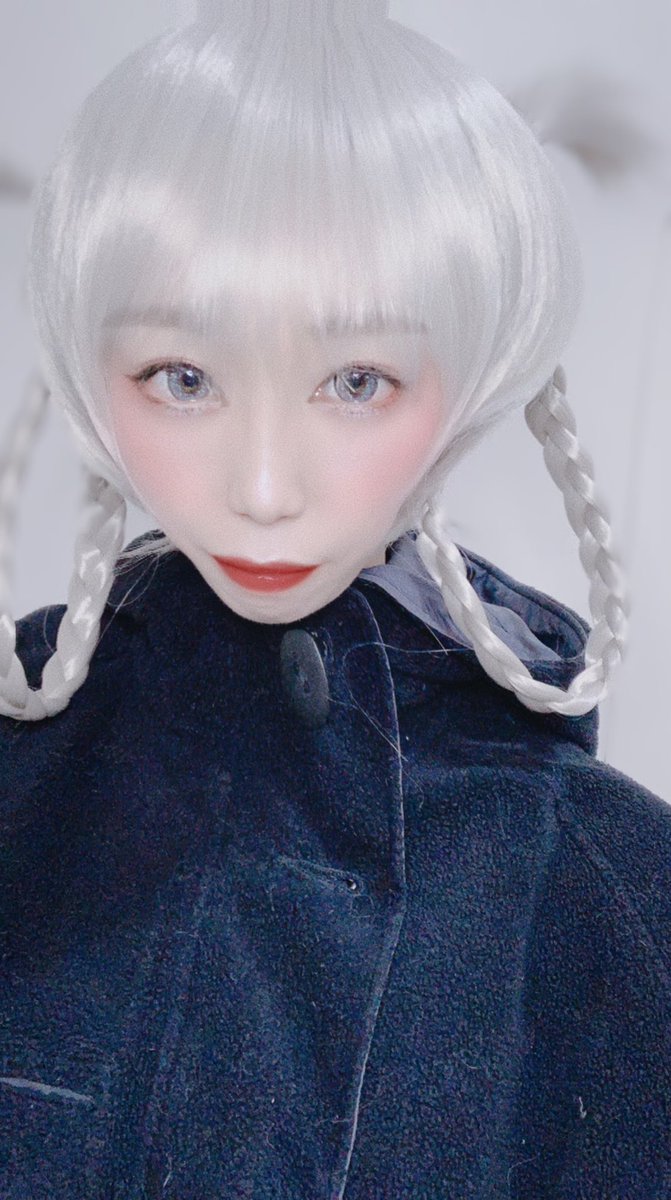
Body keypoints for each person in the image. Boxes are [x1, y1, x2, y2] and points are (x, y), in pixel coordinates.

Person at [0, 1, 669, 1196]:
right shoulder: (22, 794)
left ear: (472, 375)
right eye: (182, 376)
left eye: (356, 380)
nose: (263, 490)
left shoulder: (611, 895)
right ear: (91, 375)